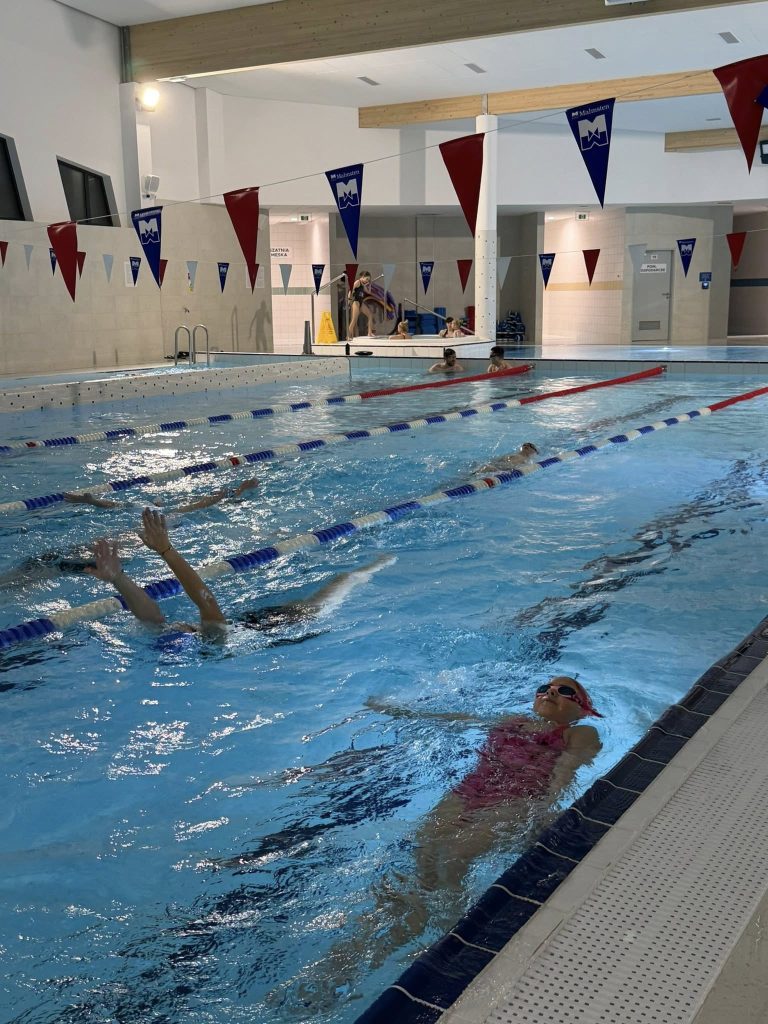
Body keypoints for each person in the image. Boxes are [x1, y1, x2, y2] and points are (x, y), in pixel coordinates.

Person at [87, 508, 395, 638]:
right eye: (177, 628)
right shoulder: (214, 638)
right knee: (345, 580)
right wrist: (166, 550)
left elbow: (151, 616)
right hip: (292, 625)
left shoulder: (195, 638)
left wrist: (119, 578)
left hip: (254, 622)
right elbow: (205, 599)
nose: (174, 624)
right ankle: (382, 560)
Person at [63, 477, 259, 513]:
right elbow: (204, 503)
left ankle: (94, 501)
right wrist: (243, 487)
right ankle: (93, 502)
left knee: (122, 506)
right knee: (192, 507)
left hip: (153, 507)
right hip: (163, 513)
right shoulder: (218, 502)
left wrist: (242, 487)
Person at [348, 271, 376, 339]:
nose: (367, 281)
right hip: (356, 302)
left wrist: (369, 285)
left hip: (361, 302)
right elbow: (351, 290)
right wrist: (349, 300)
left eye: (368, 280)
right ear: (362, 277)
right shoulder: (357, 282)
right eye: (367, 279)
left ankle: (369, 333)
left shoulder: (363, 285)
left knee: (370, 315)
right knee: (354, 320)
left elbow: (368, 292)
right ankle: (348, 336)